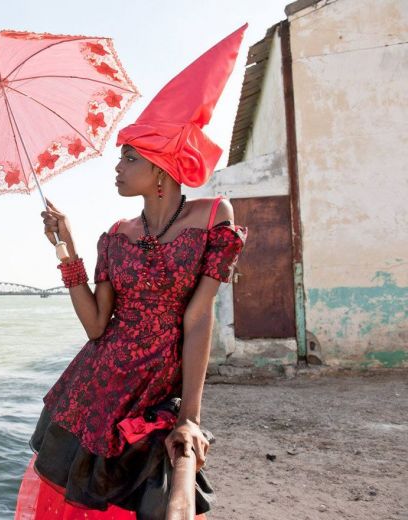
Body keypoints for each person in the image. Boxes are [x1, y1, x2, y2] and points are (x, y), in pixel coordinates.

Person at [14, 25, 248, 520]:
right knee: (87, 500)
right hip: (94, 388)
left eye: (128, 157)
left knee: (153, 499)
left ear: (161, 167)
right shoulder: (115, 234)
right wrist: (66, 249)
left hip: (155, 391)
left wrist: (191, 415)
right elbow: (97, 326)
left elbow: (198, 317)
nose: (117, 168)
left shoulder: (212, 216)